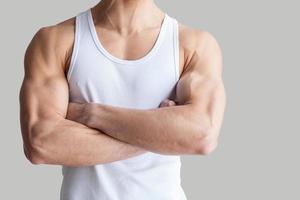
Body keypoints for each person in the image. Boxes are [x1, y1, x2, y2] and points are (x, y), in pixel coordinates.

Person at [19, 0, 226, 199]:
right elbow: (41, 144)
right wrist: (164, 135)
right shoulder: (56, 41)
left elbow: (202, 136)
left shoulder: (193, 44)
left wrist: (90, 114)